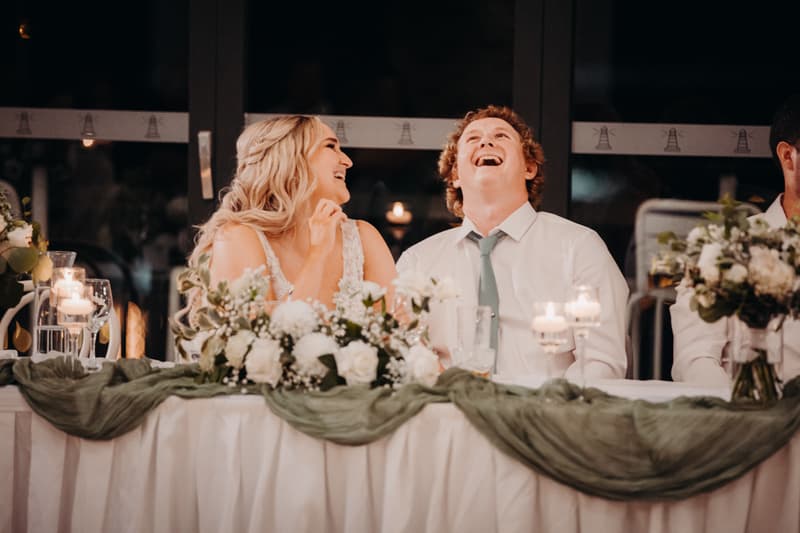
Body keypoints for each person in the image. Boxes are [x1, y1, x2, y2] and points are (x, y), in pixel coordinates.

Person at [396, 105, 629, 379]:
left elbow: (603, 361)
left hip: (548, 414)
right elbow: (402, 358)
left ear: (529, 167)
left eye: (501, 136)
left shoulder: (579, 247)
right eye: (472, 139)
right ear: (455, 175)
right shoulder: (418, 262)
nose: (486, 141)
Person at [189, 115, 397, 309]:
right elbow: (264, 343)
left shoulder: (363, 236)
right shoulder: (238, 237)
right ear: (291, 158)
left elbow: (396, 330)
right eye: (331, 146)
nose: (347, 161)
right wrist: (318, 254)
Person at [671, 94, 800, 385]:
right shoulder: (726, 248)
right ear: (788, 157)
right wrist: (740, 414)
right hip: (757, 419)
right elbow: (695, 358)